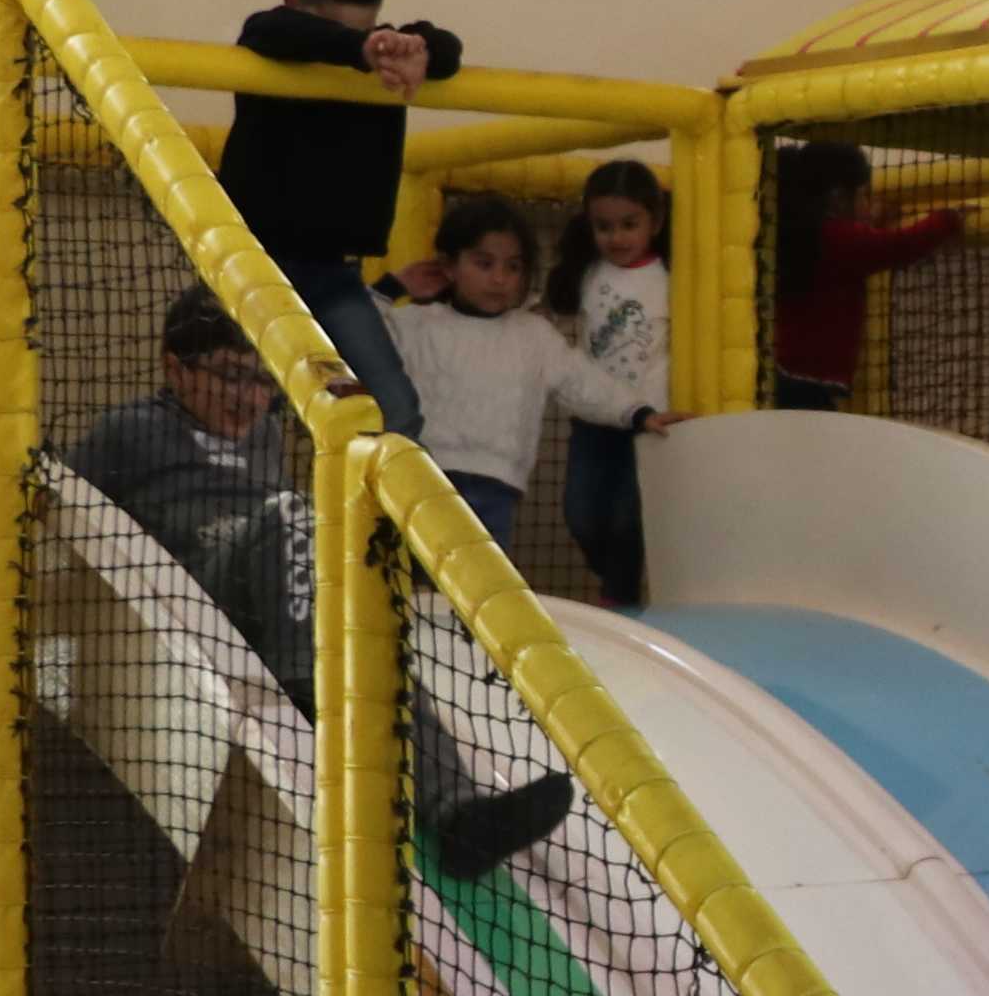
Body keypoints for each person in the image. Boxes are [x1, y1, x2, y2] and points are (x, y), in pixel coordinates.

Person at [57, 294, 572, 880]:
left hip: (270, 603)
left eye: (262, 381)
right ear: (175, 369)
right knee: (293, 511)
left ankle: (459, 818)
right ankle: (308, 693)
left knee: (377, 647)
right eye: (230, 376)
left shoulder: (265, 435)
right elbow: (66, 501)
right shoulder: (133, 429)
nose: (249, 397)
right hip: (193, 595)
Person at [220, 0, 458, 439]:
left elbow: (446, 47)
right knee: (240, 411)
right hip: (251, 266)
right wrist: (358, 49)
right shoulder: (272, 36)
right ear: (293, 3)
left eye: (367, 32)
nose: (362, 46)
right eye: (338, 30)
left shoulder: (387, 56)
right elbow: (270, 30)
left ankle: (368, 496)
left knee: (397, 414)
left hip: (331, 275)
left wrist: (417, 50)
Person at [382, 193, 658, 553]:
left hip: (496, 487)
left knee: (482, 583)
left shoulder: (534, 335)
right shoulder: (416, 324)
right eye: (484, 264)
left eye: (512, 267)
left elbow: (583, 382)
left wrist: (637, 412)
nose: (499, 278)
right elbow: (348, 339)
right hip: (420, 478)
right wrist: (391, 287)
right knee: (411, 579)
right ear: (449, 266)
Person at [541, 160, 676, 605]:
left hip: (649, 422)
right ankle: (617, 582)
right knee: (581, 516)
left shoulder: (670, 277)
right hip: (594, 420)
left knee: (627, 521)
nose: (616, 237)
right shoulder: (587, 273)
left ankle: (620, 596)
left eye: (629, 225)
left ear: (655, 222)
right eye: (604, 227)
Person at [765, 136, 962, 410]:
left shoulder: (806, 234)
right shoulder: (837, 239)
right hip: (807, 387)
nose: (869, 205)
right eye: (864, 196)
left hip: (787, 378)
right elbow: (901, 246)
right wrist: (949, 219)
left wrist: (874, 220)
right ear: (838, 198)